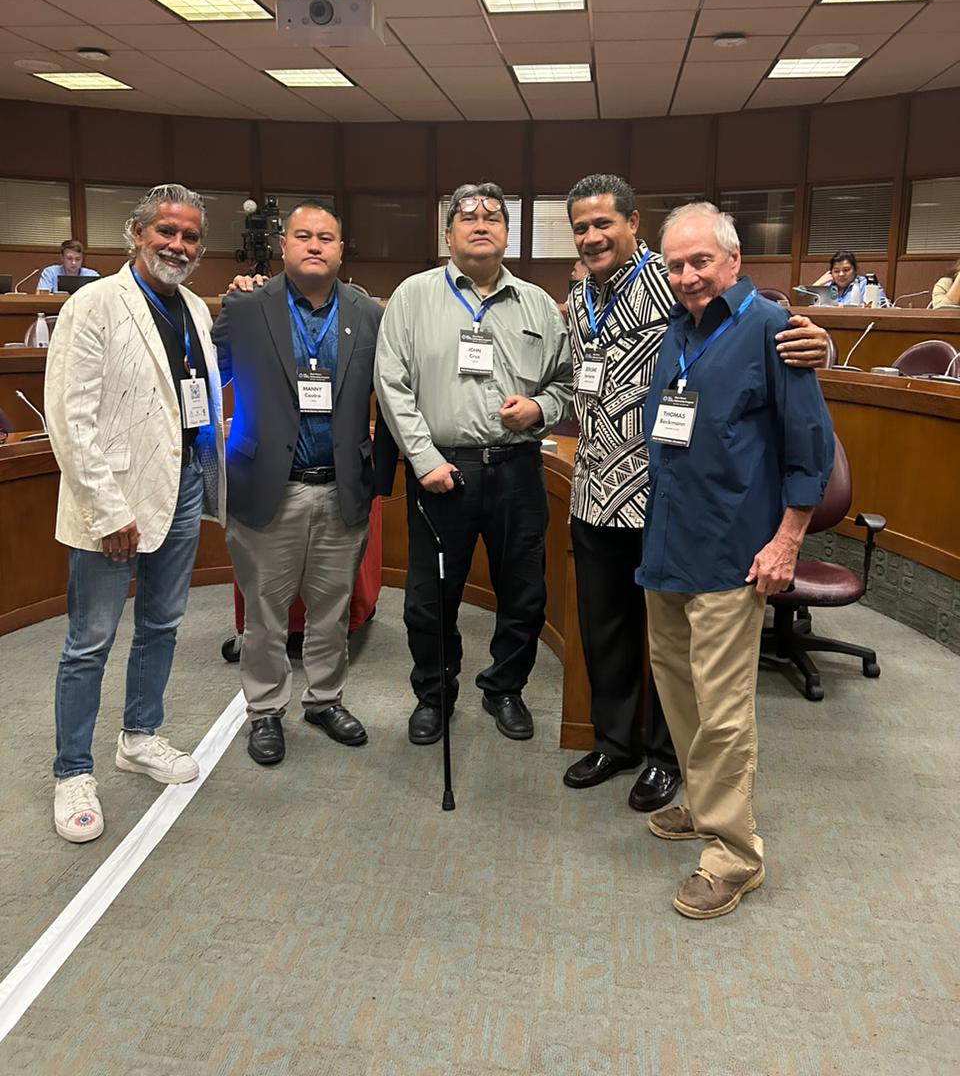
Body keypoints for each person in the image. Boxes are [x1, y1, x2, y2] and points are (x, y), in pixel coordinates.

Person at [562, 174, 829, 811]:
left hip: (658, 494)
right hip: (599, 487)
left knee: (685, 661)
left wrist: (820, 341)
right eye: (582, 227)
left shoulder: (669, 277)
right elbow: (570, 377)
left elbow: (754, 321)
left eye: (606, 223)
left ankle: (665, 760)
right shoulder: (577, 300)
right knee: (614, 635)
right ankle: (615, 741)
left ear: (632, 225)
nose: (595, 236)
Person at [637, 202, 833, 919]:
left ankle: (734, 855)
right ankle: (701, 800)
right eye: (676, 264)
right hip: (668, 545)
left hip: (732, 553)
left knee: (721, 711)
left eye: (701, 262)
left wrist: (787, 540)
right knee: (679, 690)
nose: (688, 276)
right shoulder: (676, 333)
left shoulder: (775, 330)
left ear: (733, 260)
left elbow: (808, 443)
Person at [45, 185, 225, 843]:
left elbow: (193, 399)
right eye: (166, 232)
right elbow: (70, 419)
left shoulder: (193, 310)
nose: (177, 245)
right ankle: (72, 770)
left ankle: (140, 735)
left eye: (189, 237)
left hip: (178, 493)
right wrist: (107, 509)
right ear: (137, 233)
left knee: (162, 624)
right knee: (89, 640)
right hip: (109, 504)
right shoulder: (95, 304)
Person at [375, 182, 573, 745]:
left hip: (517, 469)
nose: (480, 223)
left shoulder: (537, 303)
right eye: (467, 216)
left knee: (524, 592)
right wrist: (422, 458)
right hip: (442, 474)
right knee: (429, 598)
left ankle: (504, 689)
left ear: (508, 233)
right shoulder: (412, 296)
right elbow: (391, 384)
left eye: (493, 216)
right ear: (448, 233)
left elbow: (565, 382)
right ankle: (434, 695)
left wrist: (539, 408)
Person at [213, 201, 394, 767]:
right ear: (285, 246)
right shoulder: (244, 308)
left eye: (327, 237)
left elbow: (390, 400)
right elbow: (203, 376)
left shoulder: (368, 313)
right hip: (269, 487)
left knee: (331, 608)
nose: (315, 245)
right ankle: (265, 711)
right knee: (264, 616)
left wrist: (379, 483)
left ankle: (324, 699)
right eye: (303, 236)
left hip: (341, 488)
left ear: (342, 250)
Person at [812, 249, 888, 306]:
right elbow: (806, 304)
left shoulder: (867, 284)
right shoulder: (827, 285)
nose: (841, 274)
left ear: (855, 270)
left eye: (846, 270)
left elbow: (882, 306)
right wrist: (818, 283)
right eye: (836, 271)